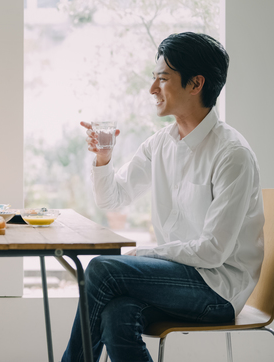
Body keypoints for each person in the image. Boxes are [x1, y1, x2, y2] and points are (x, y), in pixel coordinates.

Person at [62, 32, 265, 362]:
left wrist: (144, 254)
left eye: (163, 79)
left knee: (102, 270)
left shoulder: (232, 154)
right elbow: (112, 198)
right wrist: (103, 158)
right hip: (177, 280)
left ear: (196, 83)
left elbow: (213, 252)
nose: (152, 89)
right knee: (117, 313)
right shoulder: (160, 144)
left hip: (219, 290)